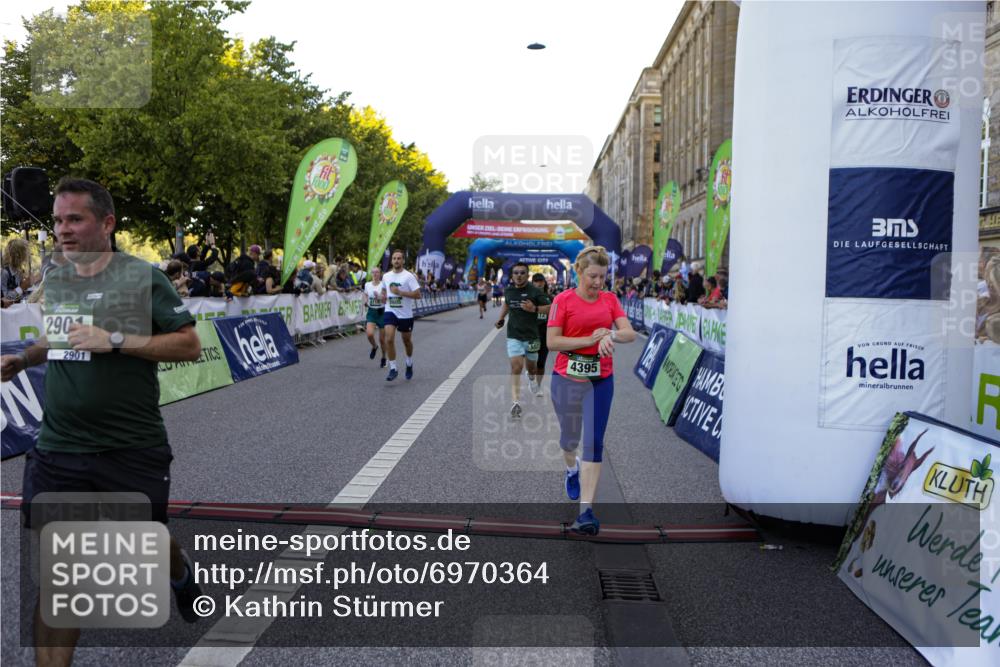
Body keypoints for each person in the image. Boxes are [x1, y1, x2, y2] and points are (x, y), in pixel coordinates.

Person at [0, 178, 204, 666]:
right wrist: (23, 360)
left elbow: (188, 344)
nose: (62, 231)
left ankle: (178, 573)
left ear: (107, 224)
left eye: (75, 219)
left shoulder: (142, 278)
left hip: (131, 447)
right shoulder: (61, 278)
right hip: (59, 448)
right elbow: (61, 340)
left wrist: (114, 339)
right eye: (56, 221)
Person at [546, 245, 636, 535]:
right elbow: (553, 342)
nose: (598, 283)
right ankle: (571, 470)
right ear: (579, 272)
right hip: (567, 378)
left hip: (600, 380)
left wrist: (609, 334)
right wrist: (590, 339)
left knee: (594, 442)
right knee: (569, 441)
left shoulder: (609, 300)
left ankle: (586, 512)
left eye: (602, 277)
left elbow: (629, 333)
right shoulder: (563, 300)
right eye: (593, 277)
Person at [495, 262, 549, 419]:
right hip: (514, 335)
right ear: (512, 275)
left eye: (522, 273)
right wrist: (500, 319)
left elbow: (551, 307)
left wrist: (535, 309)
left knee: (532, 368)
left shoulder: (535, 291)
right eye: (516, 273)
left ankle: (531, 377)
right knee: (516, 367)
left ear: (527, 275)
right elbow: (506, 304)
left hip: (532, 337)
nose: (519, 275)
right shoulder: (509, 290)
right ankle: (515, 402)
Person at [382, 249, 421, 381]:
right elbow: (384, 290)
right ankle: (393, 368)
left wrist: (400, 292)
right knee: (389, 338)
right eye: (394, 258)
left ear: (403, 261)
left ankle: (409, 363)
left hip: (405, 314)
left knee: (406, 341)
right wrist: (382, 296)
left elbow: (418, 295)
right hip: (390, 310)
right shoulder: (386, 276)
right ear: (391, 260)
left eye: (399, 258)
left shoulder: (409, 276)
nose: (396, 261)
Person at [530, 273, 552, 396]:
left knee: (541, 363)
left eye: (541, 281)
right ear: (532, 283)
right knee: (531, 363)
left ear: (544, 283)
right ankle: (531, 377)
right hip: (531, 335)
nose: (539, 283)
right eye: (536, 281)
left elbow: (556, 316)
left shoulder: (550, 297)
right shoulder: (528, 298)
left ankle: (538, 386)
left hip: (545, 334)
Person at [364, 266, 387, 367]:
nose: (375, 274)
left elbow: (385, 299)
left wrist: (380, 297)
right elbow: (365, 295)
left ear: (380, 274)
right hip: (372, 312)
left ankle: (383, 358)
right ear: (371, 274)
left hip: (382, 312)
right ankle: (374, 346)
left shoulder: (383, 284)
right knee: (369, 334)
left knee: (382, 340)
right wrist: (365, 300)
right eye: (373, 272)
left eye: (377, 272)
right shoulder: (367, 284)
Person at [1, 237, 32, 307]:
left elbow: (19, 296)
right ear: (18, 255)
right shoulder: (4, 273)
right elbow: (4, 300)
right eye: (25, 252)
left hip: (17, 308)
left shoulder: (18, 272)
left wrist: (28, 288)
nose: (27, 256)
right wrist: (22, 287)